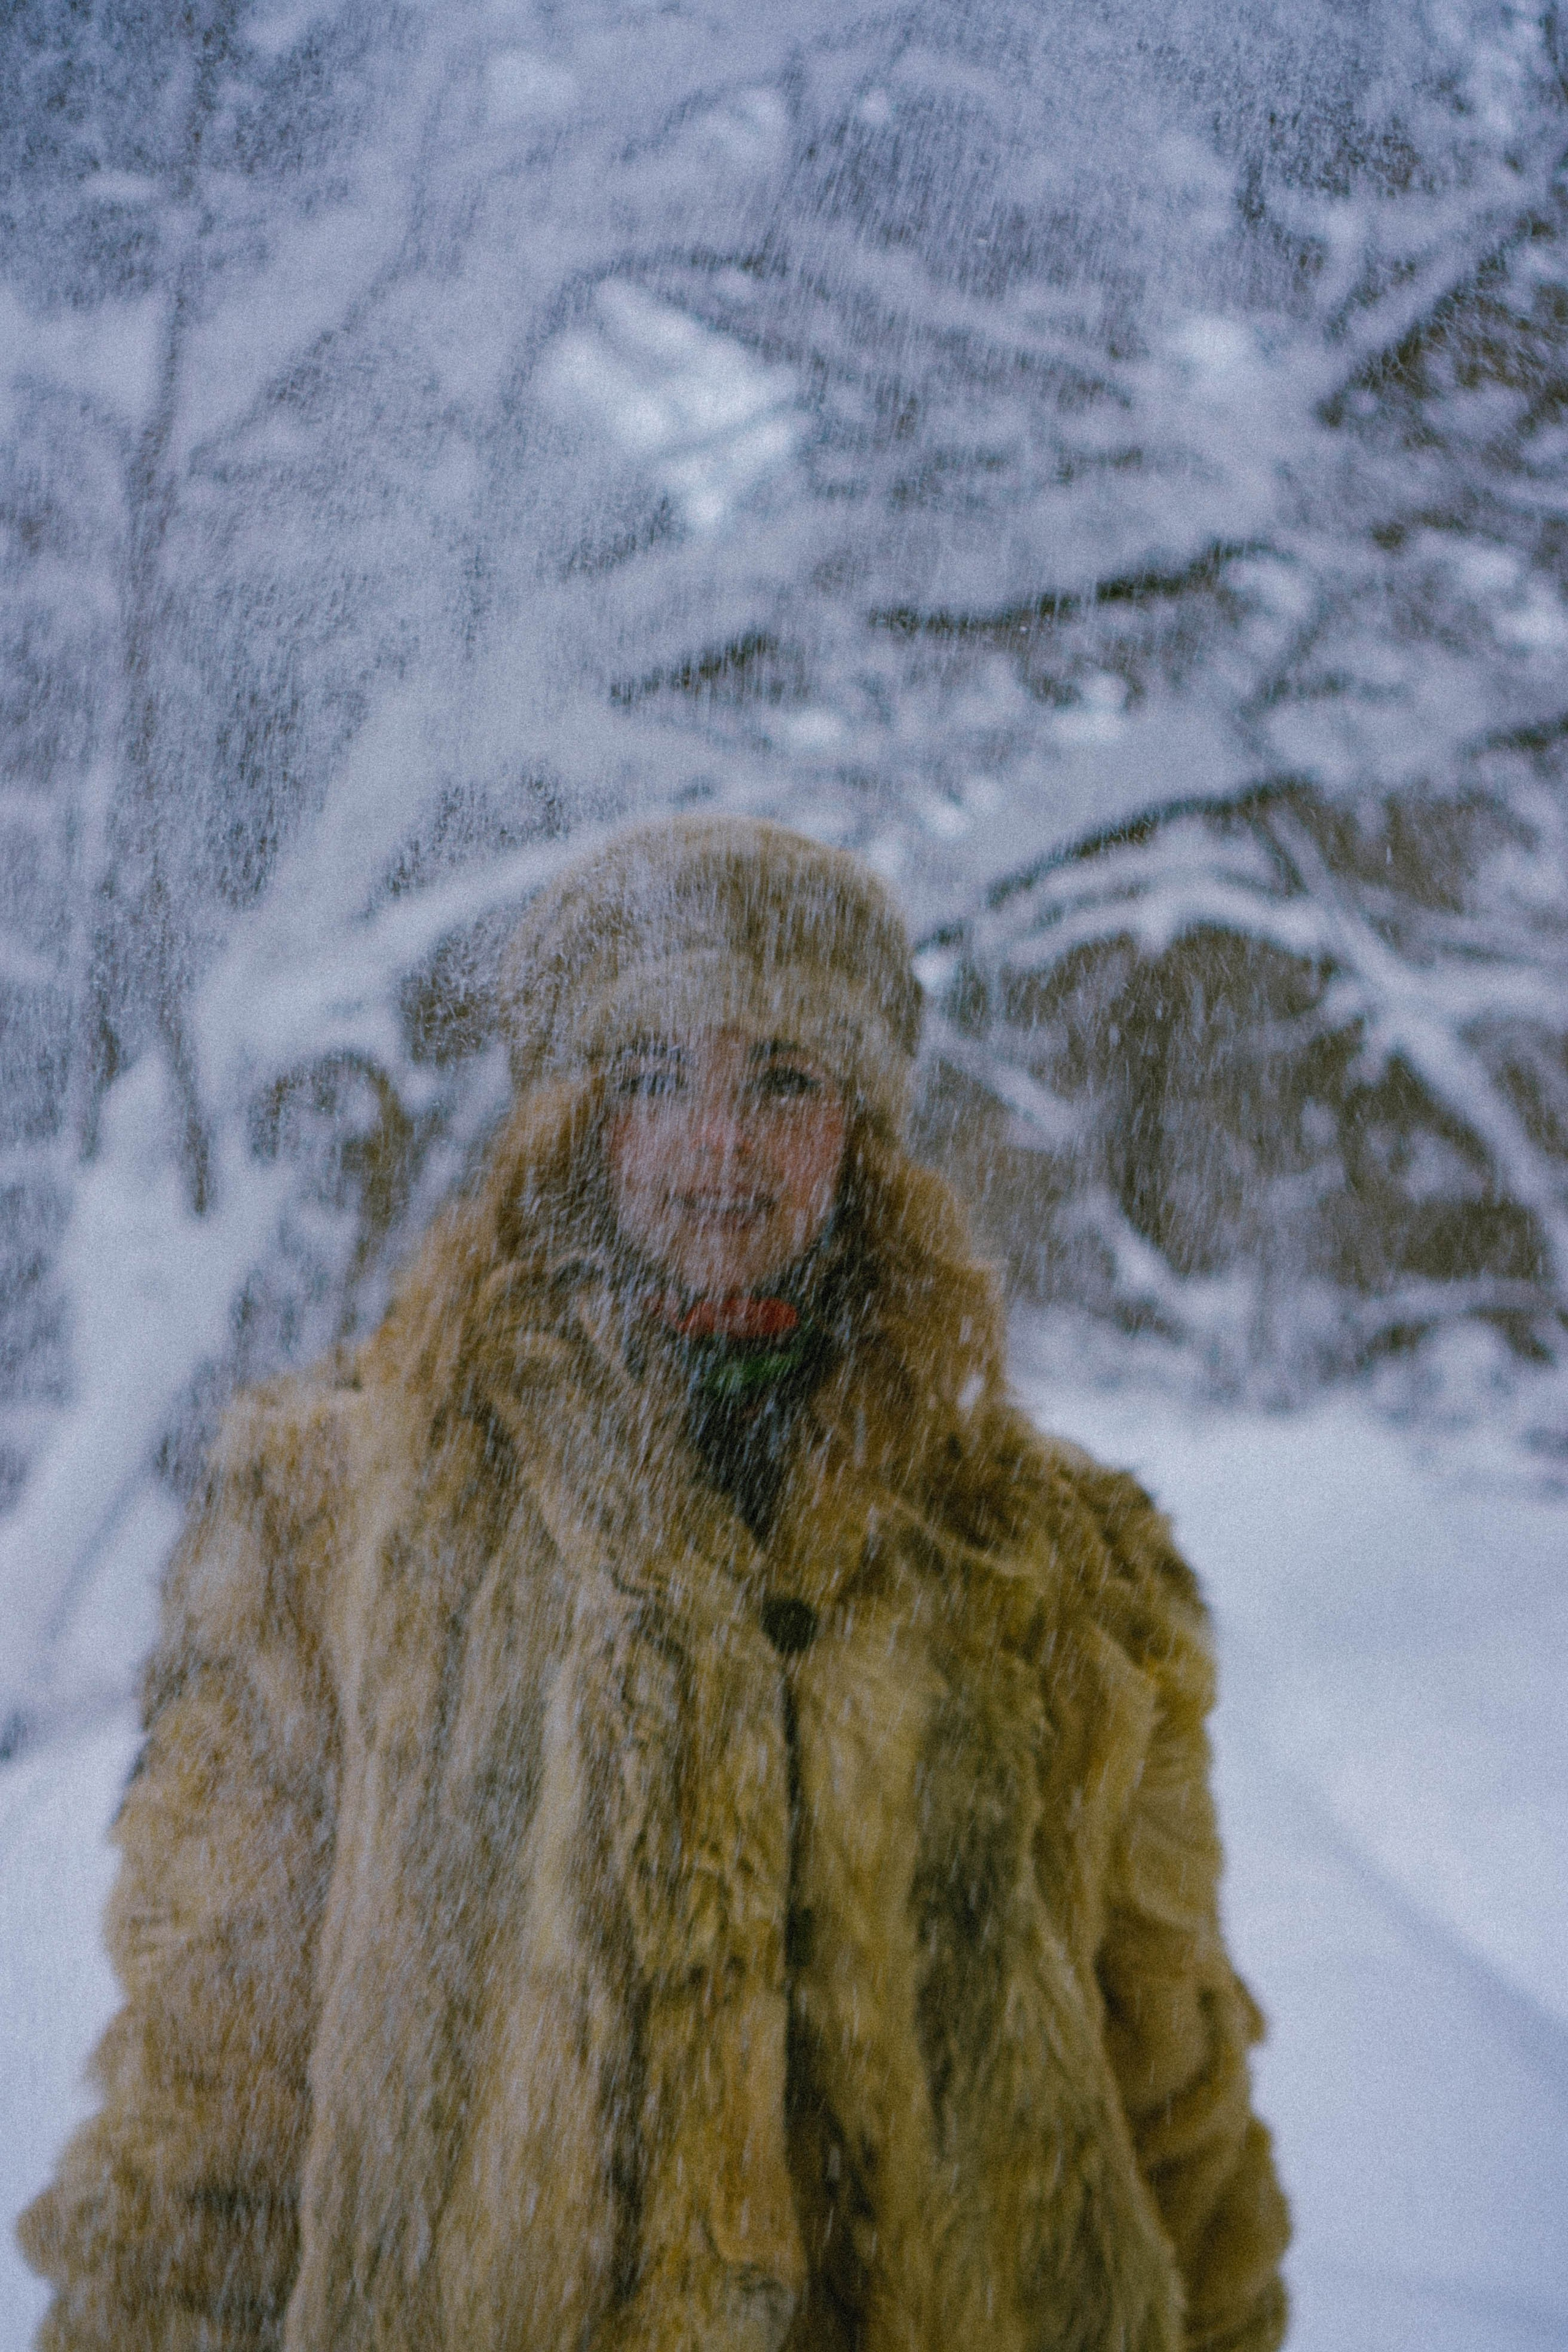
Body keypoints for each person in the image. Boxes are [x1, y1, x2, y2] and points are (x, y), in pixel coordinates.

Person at [20, 816, 1290, 2352]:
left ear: (862, 1128)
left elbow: (1174, 2099)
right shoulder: (328, 1524)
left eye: (782, 1080)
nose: (718, 1143)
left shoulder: (1060, 1566)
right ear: (568, 1122)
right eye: (651, 1077)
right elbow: (205, 2101)